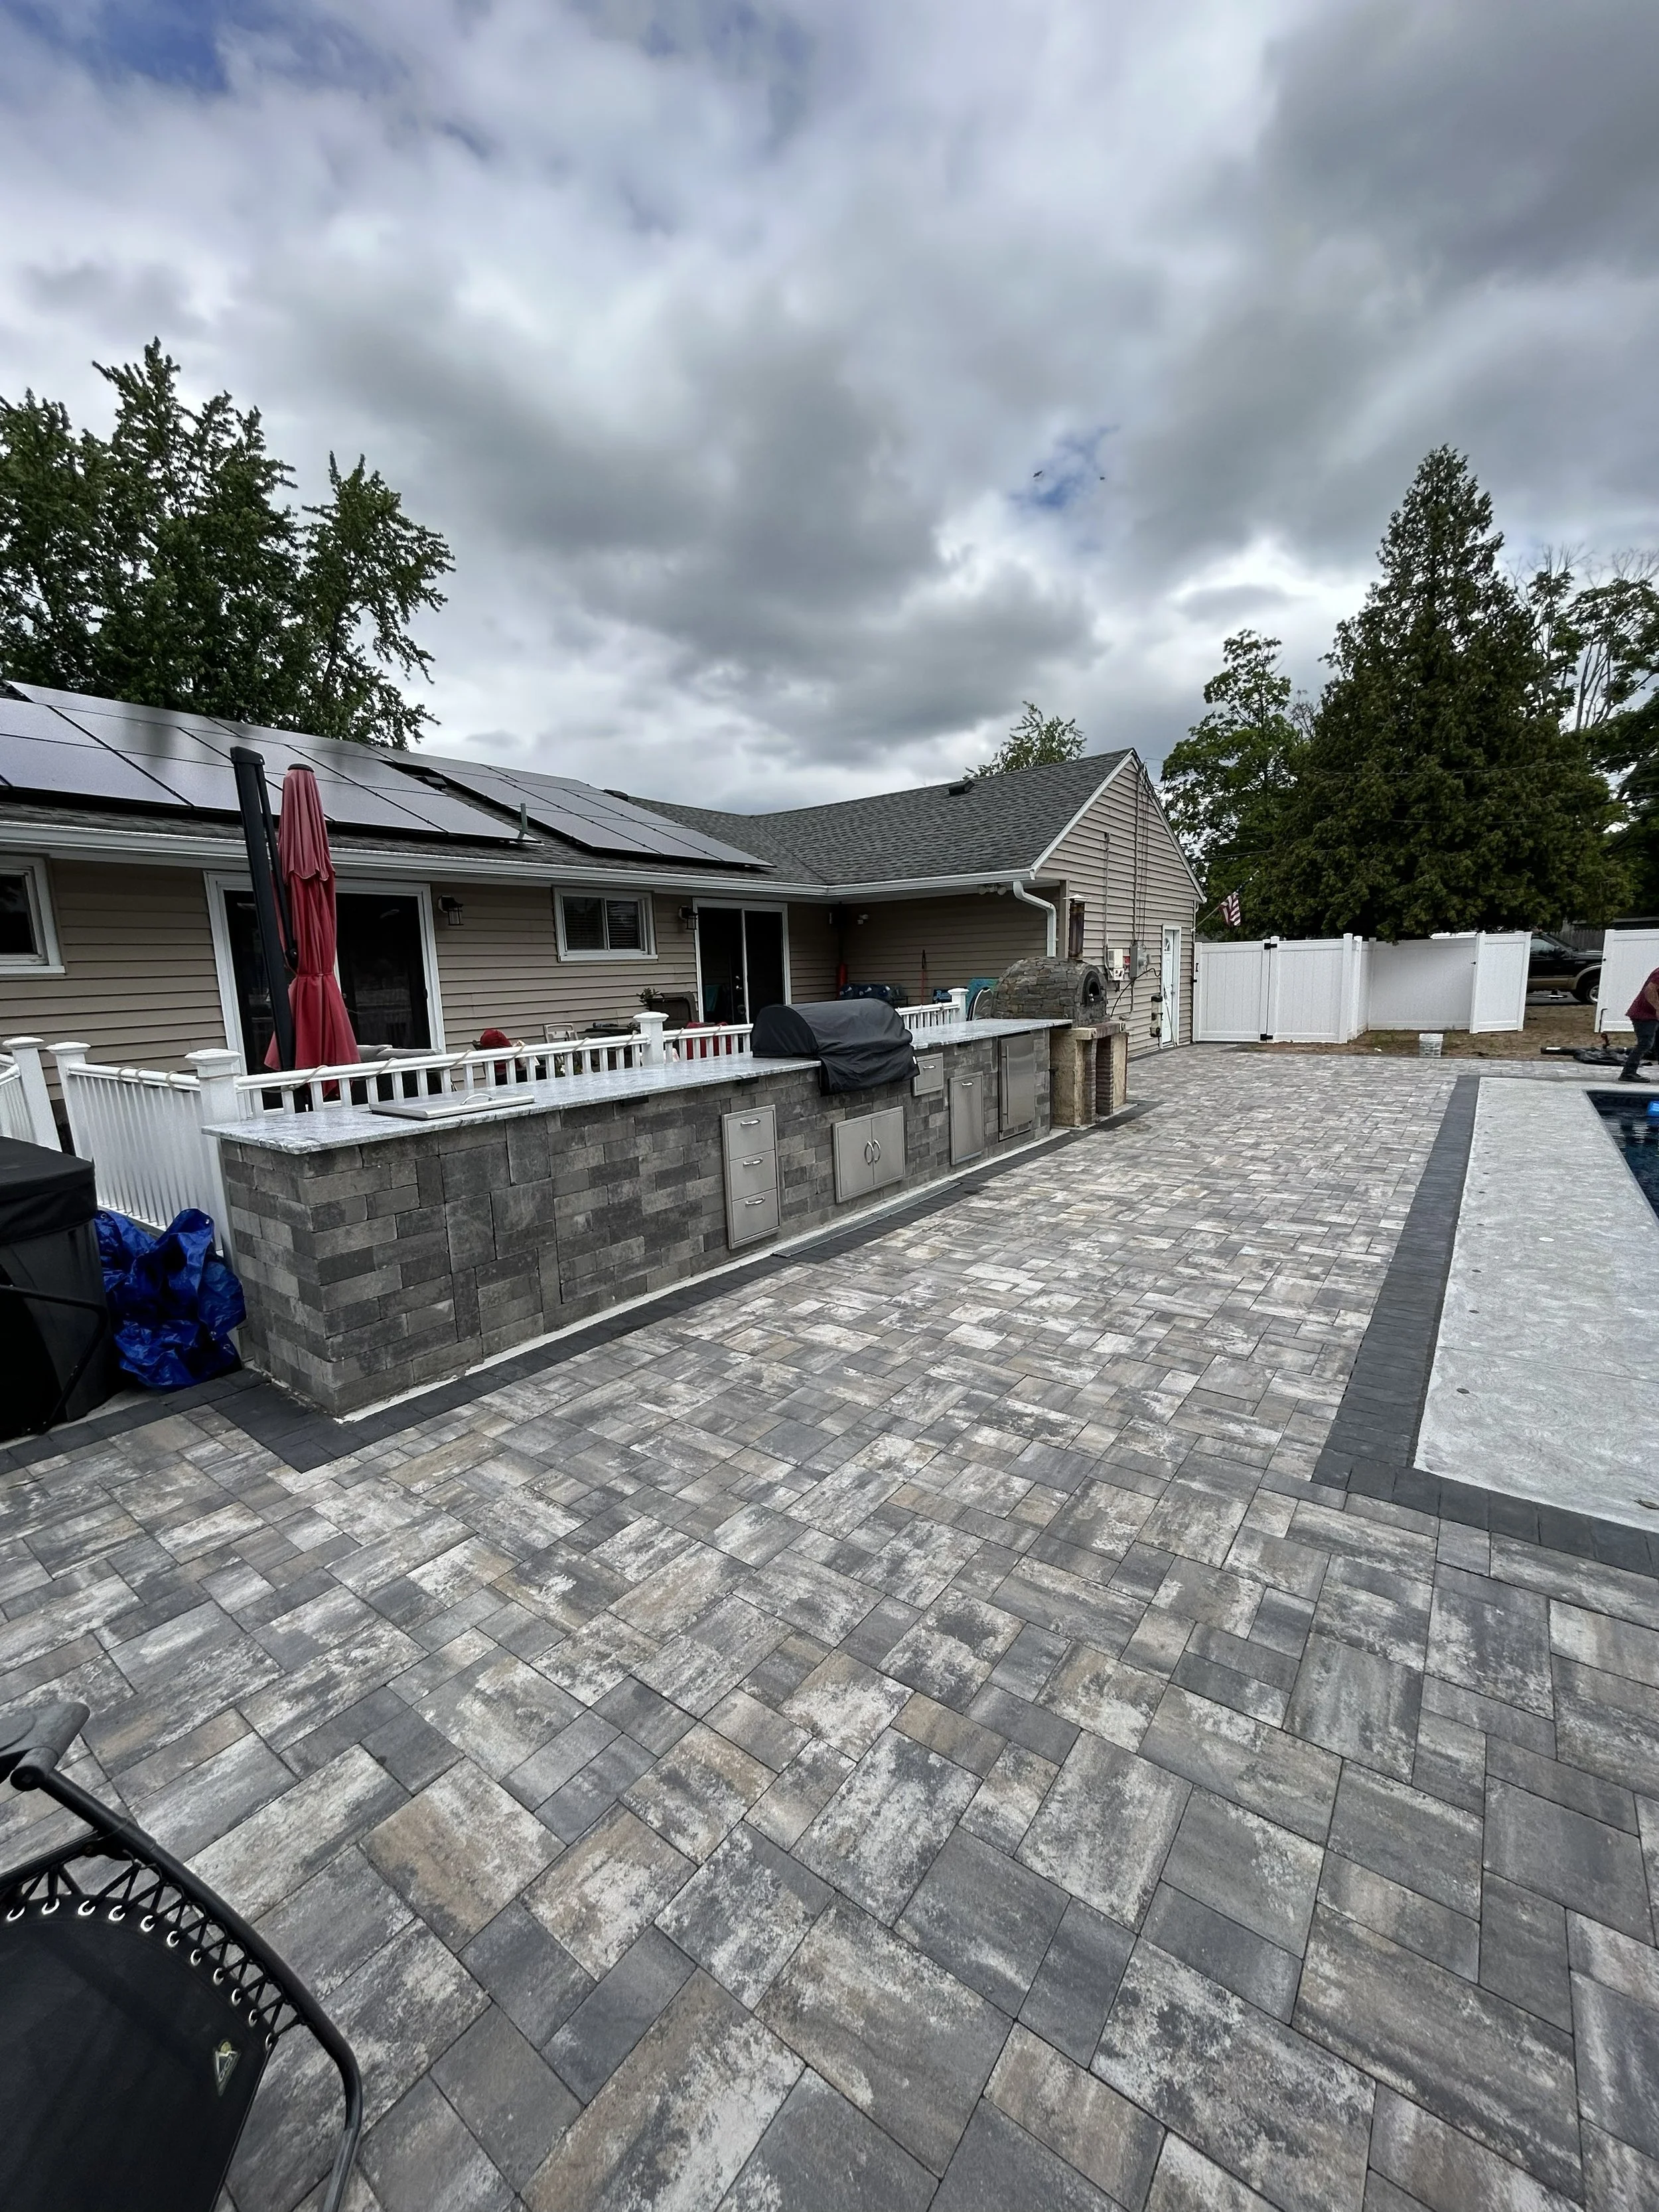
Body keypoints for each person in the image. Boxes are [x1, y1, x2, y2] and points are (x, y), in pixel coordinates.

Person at [1619, 963, 1659, 1080]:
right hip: (1644, 1015)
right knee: (1645, 1044)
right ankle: (1628, 1073)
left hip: (1653, 1016)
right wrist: (1658, 1008)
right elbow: (1650, 990)